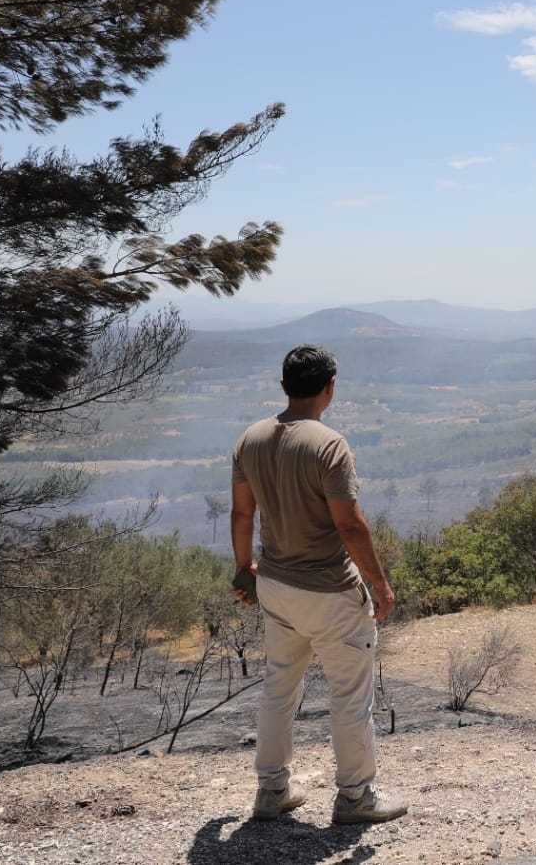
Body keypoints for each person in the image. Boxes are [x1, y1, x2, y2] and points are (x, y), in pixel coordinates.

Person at [231, 344, 406, 824]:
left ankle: (271, 792)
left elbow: (242, 511)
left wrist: (244, 566)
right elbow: (349, 525)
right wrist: (381, 585)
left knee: (279, 686)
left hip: (275, 585)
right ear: (330, 388)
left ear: (284, 386)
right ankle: (356, 799)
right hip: (330, 590)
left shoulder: (251, 439)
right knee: (350, 694)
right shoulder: (329, 445)